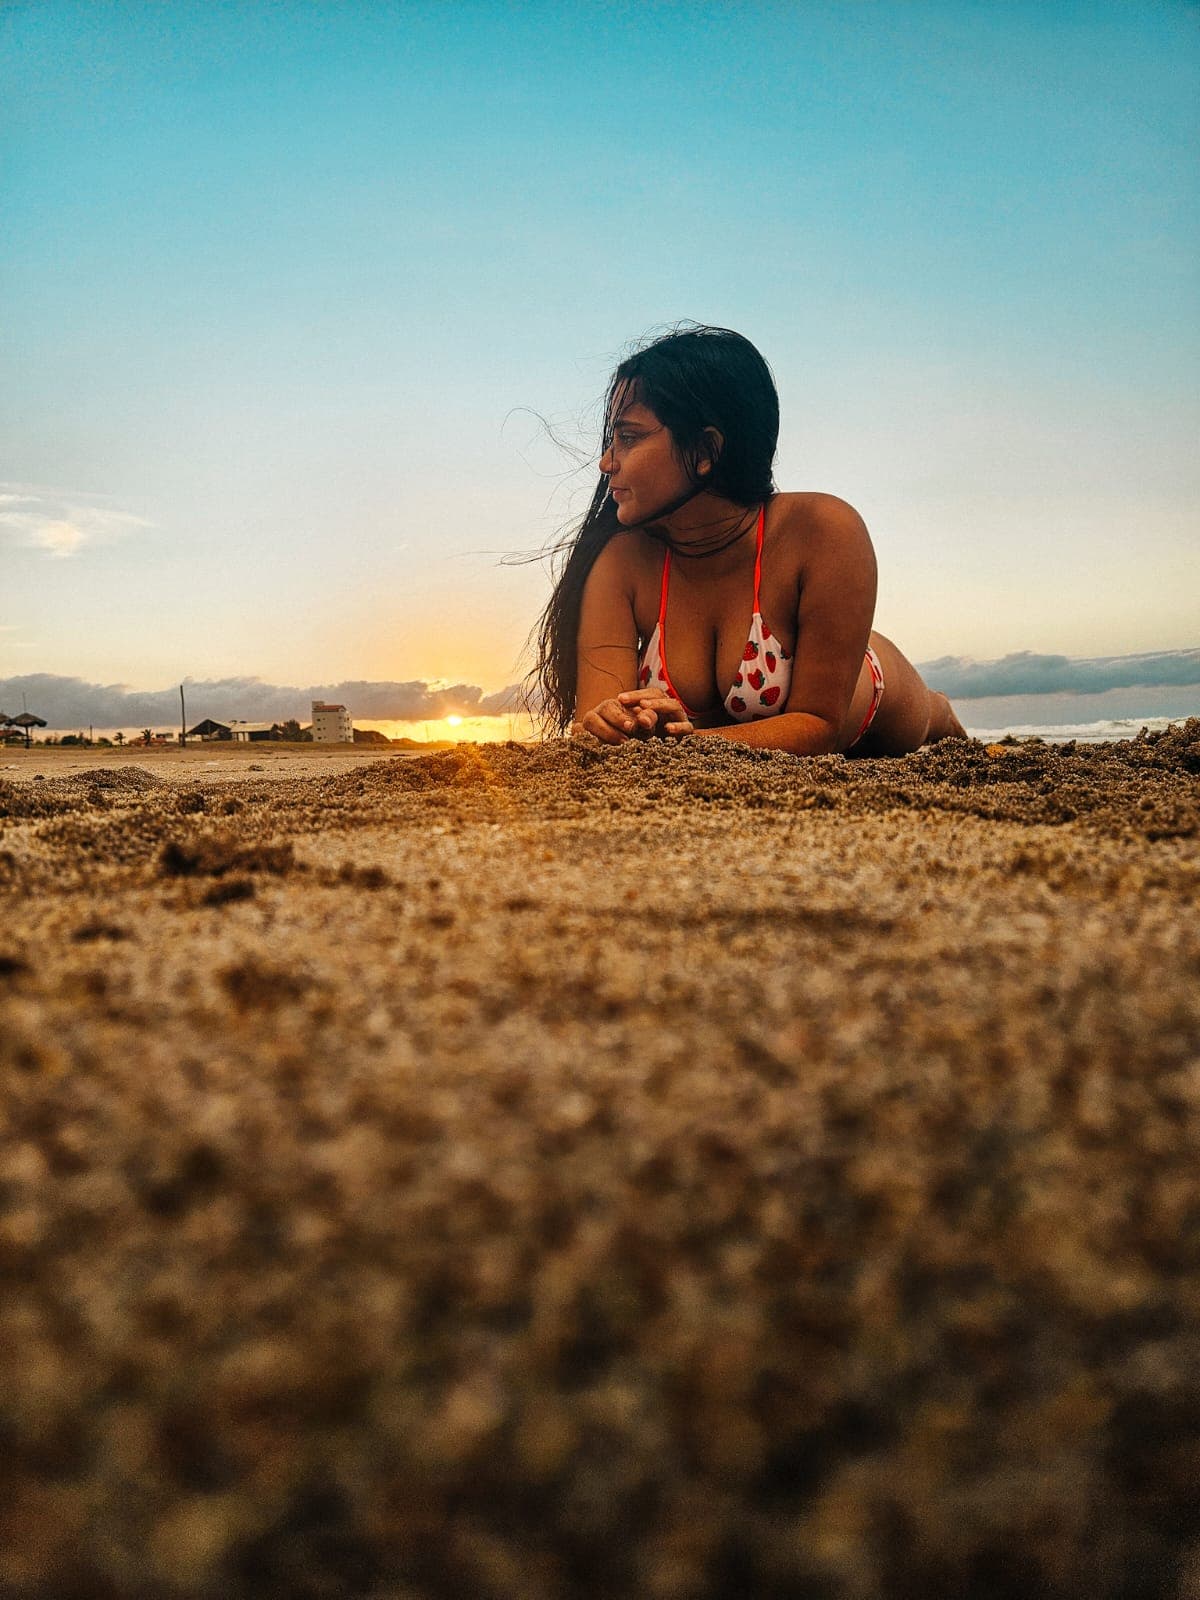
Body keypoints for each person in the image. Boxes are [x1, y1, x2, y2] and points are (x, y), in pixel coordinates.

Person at [532, 324, 966, 755]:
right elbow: (597, 726)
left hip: (871, 702)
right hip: (723, 737)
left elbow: (819, 727)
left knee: (923, 718)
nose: (606, 462)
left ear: (705, 451)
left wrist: (682, 744)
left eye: (628, 437)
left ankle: (940, 711)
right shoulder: (621, 562)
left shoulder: (822, 529)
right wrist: (616, 724)